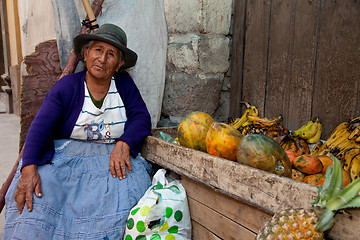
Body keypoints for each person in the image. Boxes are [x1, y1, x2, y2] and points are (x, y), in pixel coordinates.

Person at [2, 23, 153, 239]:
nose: (102, 59)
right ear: (86, 53)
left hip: (111, 159)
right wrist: (28, 169)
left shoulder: (124, 85)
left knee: (131, 192)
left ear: (119, 64)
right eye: (98, 50)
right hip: (68, 159)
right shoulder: (68, 86)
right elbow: (41, 126)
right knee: (40, 195)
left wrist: (124, 143)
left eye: (111, 54)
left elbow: (141, 118)